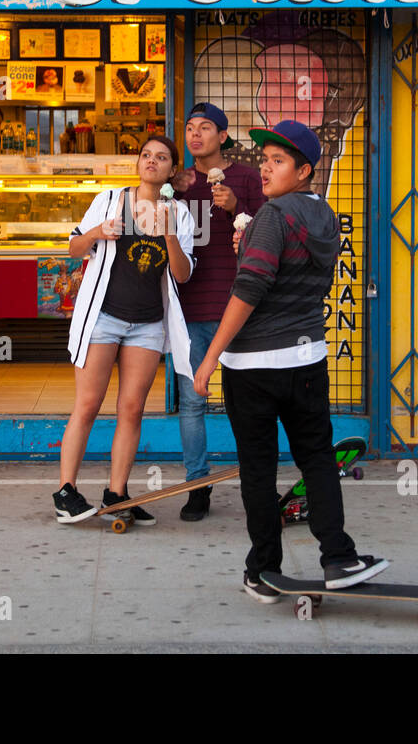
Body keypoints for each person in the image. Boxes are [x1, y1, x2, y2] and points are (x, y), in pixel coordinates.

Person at [193, 120, 387, 600]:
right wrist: (252, 244)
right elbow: (290, 273)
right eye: (264, 160)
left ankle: (262, 570)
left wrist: (210, 356)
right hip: (306, 360)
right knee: (317, 459)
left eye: (278, 161)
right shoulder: (324, 215)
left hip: (255, 367)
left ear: (303, 170)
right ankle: (338, 557)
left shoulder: (274, 215)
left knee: (258, 469)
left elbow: (250, 289)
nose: (265, 169)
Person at [53, 135, 196, 524]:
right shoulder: (110, 199)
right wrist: (98, 232)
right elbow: (73, 249)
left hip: (148, 324)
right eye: (146, 155)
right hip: (103, 317)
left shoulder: (180, 213)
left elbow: (183, 275)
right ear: (138, 163)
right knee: (88, 404)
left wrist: (168, 233)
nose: (151, 161)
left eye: (161, 157)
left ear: (172, 169)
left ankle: (117, 493)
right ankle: (66, 491)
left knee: (132, 409)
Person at [168, 102, 264, 521]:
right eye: (190, 128)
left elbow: (268, 230)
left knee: (247, 402)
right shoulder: (178, 181)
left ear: (223, 136)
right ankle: (198, 486)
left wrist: (236, 206)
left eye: (205, 128)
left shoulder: (245, 176)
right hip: (189, 309)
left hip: (239, 308)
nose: (195, 135)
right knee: (192, 403)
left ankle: (256, 483)